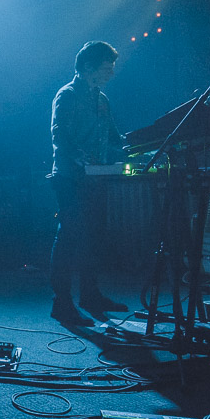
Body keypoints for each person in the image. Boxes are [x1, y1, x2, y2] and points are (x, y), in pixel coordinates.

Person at [49, 41, 129, 326]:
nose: (111, 73)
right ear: (86, 68)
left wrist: (141, 143)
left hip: (96, 179)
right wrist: (79, 157)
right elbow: (59, 134)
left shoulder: (102, 100)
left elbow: (115, 138)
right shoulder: (68, 95)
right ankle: (61, 303)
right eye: (107, 68)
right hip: (70, 178)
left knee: (94, 237)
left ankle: (90, 295)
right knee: (70, 237)